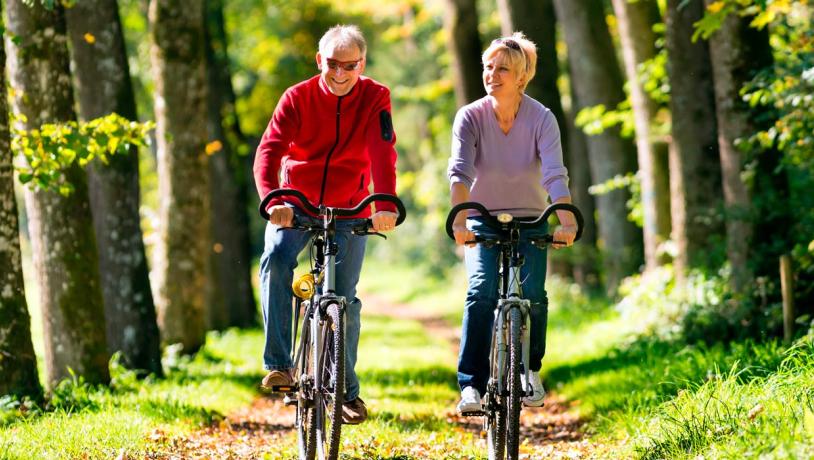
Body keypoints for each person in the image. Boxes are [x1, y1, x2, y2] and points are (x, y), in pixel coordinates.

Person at [253, 24, 399, 425]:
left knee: (345, 299)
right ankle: (280, 363)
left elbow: (382, 150)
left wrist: (384, 202)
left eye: (349, 66)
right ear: (320, 61)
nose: (339, 74)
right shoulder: (297, 97)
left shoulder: (374, 96)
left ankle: (346, 392)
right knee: (278, 258)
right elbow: (269, 151)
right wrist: (273, 199)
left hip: (351, 205)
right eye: (332, 64)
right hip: (294, 202)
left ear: (361, 64)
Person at [447, 32, 578, 414]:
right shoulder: (470, 116)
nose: (492, 74)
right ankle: (471, 384)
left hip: (532, 218)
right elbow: (459, 172)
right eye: (488, 67)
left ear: (522, 77)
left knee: (534, 295)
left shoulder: (542, 118)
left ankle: (530, 370)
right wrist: (460, 217)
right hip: (483, 221)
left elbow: (555, 174)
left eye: (502, 68)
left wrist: (565, 220)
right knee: (481, 291)